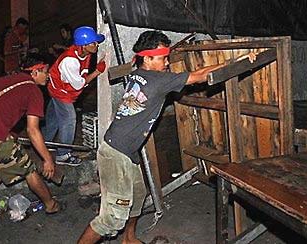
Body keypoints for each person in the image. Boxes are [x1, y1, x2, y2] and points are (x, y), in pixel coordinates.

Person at [77, 31, 256, 244]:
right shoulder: (159, 80)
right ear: (148, 58)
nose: (167, 62)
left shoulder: (137, 71)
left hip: (124, 150)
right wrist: (237, 60)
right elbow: (200, 75)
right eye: (163, 58)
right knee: (112, 219)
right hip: (116, 154)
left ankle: (129, 239)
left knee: (138, 195)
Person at [0, 61, 60, 235]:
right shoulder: (34, 91)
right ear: (35, 72)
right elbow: (32, 130)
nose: (49, 76)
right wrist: (47, 159)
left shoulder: (5, 80)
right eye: (46, 72)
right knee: (29, 170)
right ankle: (51, 205)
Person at [44, 26, 106, 166]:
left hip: (58, 88)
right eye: (93, 43)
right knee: (69, 120)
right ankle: (62, 155)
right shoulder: (70, 61)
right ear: (83, 46)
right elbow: (78, 85)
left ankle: (44, 144)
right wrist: (97, 72)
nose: (96, 45)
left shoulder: (84, 52)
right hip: (61, 92)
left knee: (54, 119)